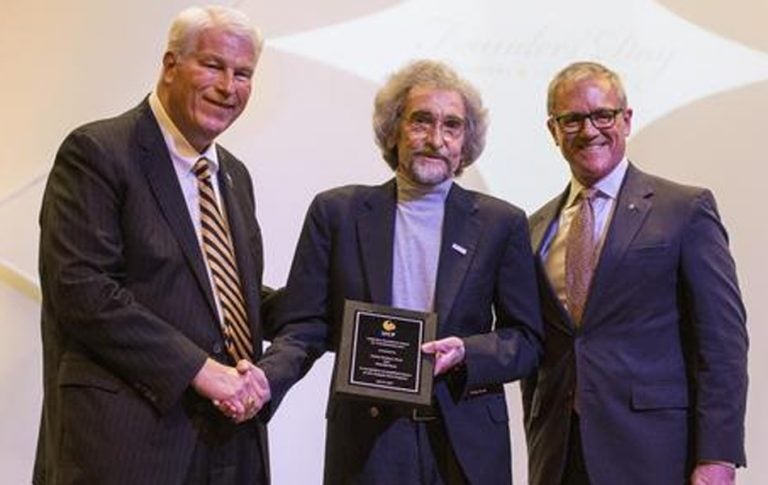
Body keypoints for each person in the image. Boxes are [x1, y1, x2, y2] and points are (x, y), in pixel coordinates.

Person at [257, 59, 543, 484]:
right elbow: (304, 324)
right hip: (368, 440)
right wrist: (262, 382)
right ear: (393, 130)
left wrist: (468, 353)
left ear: (466, 143)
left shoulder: (502, 223)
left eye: (452, 126)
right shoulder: (337, 213)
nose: (435, 139)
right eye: (421, 121)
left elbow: (526, 339)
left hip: (465, 440)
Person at [35, 6, 274, 484]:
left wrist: (322, 309)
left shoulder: (234, 175)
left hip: (226, 447)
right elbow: (82, 289)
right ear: (170, 65)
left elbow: (220, 298)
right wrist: (199, 369)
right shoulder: (98, 152)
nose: (228, 87)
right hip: (126, 446)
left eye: (243, 73)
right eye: (212, 65)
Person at [522, 61, 748, 485]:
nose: (589, 130)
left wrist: (718, 456)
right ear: (553, 131)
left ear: (625, 120)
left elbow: (722, 344)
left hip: (656, 454)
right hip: (558, 457)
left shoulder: (684, 209)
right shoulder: (535, 229)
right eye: (571, 119)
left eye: (602, 115)